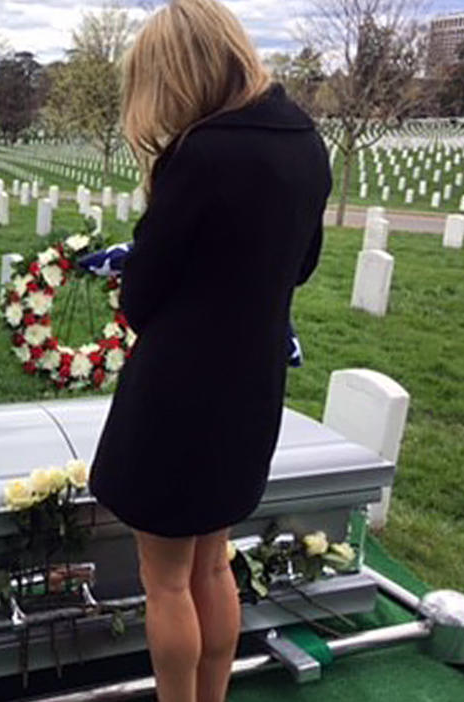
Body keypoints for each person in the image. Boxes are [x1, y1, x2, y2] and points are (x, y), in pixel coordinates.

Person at [87, 1, 332, 701]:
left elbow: (142, 298)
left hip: (177, 393)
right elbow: (303, 264)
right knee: (212, 566)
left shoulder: (201, 154)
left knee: (164, 581)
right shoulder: (305, 141)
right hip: (250, 384)